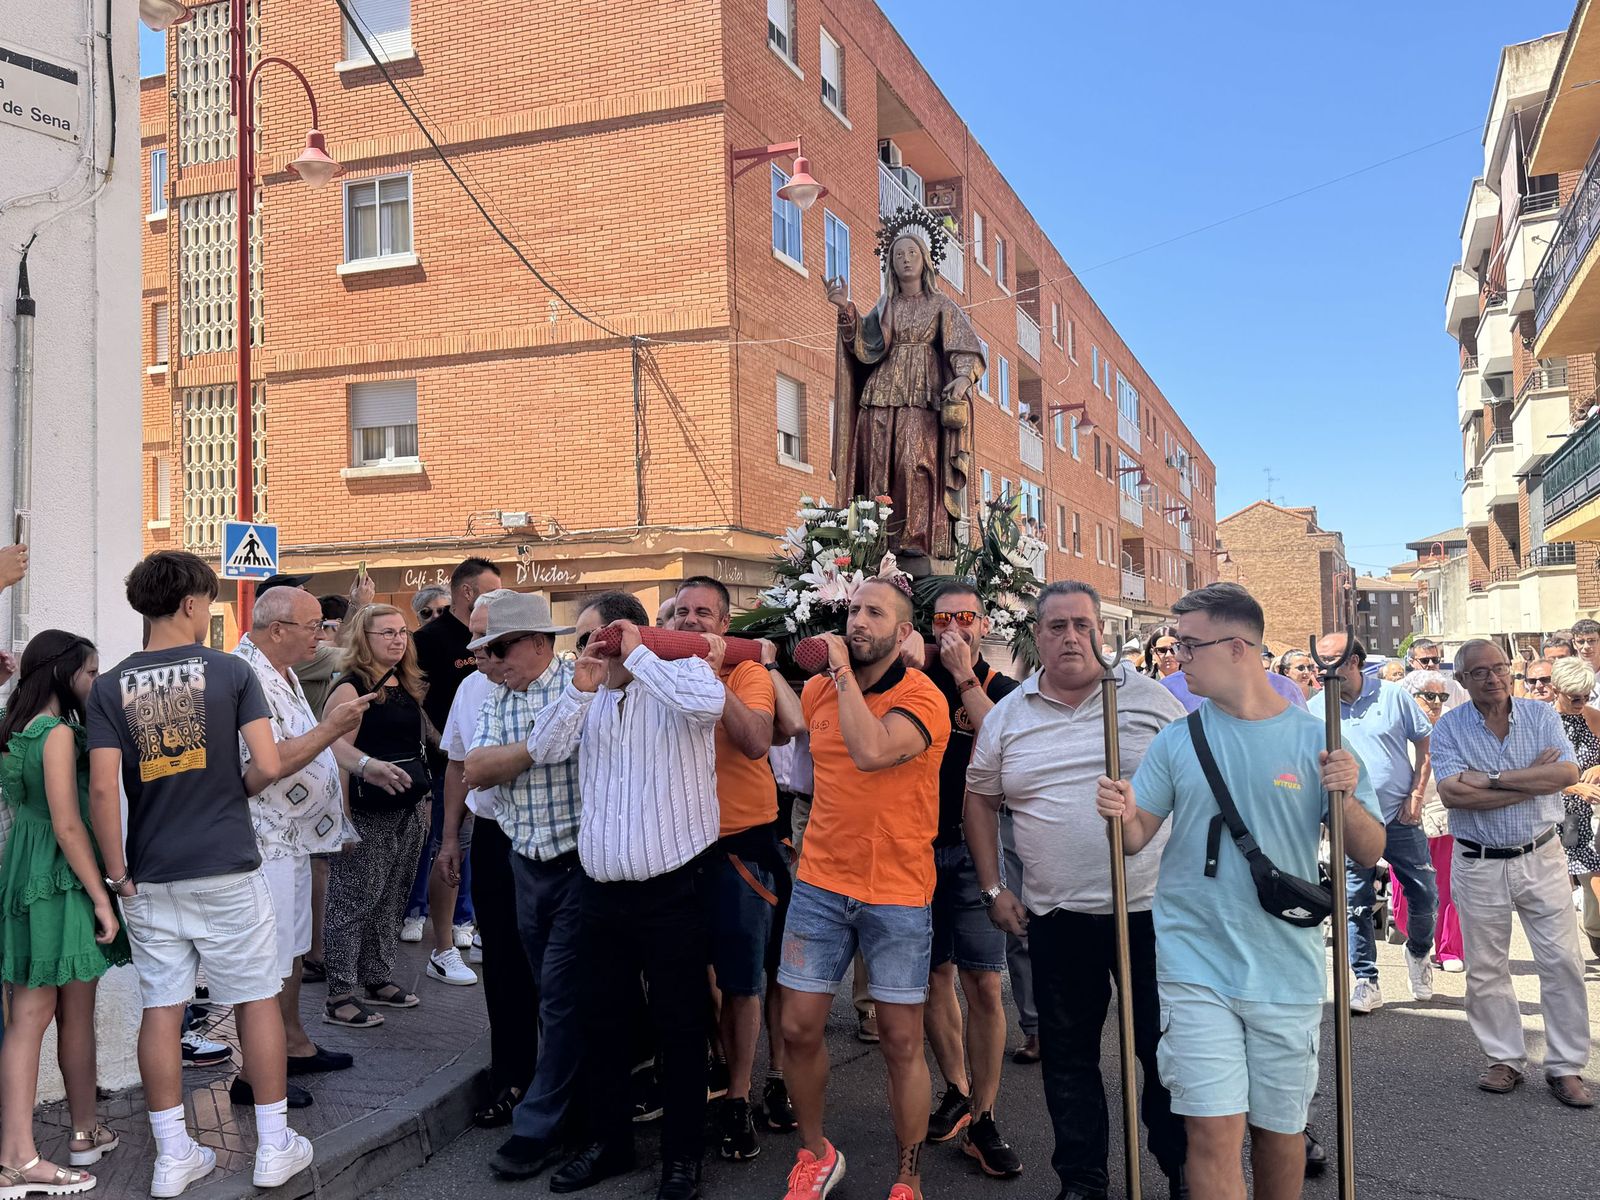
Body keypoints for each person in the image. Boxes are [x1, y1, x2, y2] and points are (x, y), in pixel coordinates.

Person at [1094, 583, 1384, 1200]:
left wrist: (1346, 791)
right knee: (1211, 1134)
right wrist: (1121, 813)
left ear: (1236, 648)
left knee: (1279, 1135)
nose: (1176, 658)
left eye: (1187, 645)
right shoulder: (1178, 739)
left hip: (1286, 969)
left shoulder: (1316, 739)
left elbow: (1370, 849)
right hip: (1193, 965)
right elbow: (1136, 839)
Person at [88, 550, 313, 1196]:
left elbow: (105, 791)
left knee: (162, 1007)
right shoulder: (230, 671)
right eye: (209, 602)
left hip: (151, 872)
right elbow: (267, 765)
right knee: (254, 998)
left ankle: (171, 1158)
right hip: (225, 864)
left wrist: (117, 872)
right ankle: (273, 1146)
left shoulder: (109, 687)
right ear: (190, 602)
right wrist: (229, 791)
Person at [965, 581, 1189, 1200]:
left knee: (1165, 1055)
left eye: (1082, 625)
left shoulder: (1148, 702)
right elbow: (980, 800)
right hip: (1057, 916)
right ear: (1035, 637)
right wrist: (992, 889)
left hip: (1150, 913)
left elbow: (1196, 787)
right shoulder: (1008, 716)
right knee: (1068, 1059)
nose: (1071, 637)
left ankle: (1182, 1174)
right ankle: (1084, 1181)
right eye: (1056, 626)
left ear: (1102, 632)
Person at [525, 592, 724, 1200]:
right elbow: (544, 748)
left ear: (629, 631)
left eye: (599, 635)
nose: (591, 648)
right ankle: (610, 1143)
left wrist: (638, 656)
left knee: (680, 1027)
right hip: (600, 889)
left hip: (674, 886)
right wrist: (582, 688)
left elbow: (708, 704)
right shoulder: (586, 690)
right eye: (584, 639)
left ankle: (682, 1159)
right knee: (601, 1023)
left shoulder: (681, 672)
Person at [778, 579, 952, 1200]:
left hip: (898, 890)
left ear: (904, 634)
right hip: (821, 882)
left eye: (875, 612)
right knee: (797, 1027)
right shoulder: (821, 688)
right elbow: (793, 747)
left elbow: (873, 751)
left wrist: (843, 673)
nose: (857, 621)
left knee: (902, 1040)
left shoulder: (923, 697)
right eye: (852, 610)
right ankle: (816, 1153)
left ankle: (907, 1177)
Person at [230, 583, 377, 1109]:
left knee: (291, 949)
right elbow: (265, 765)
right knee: (265, 959)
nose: (323, 634)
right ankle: (254, 1073)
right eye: (314, 625)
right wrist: (332, 729)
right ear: (277, 630)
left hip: (289, 840)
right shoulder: (245, 674)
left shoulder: (282, 670)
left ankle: (290, 1042)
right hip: (263, 841)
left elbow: (306, 740)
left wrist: (358, 762)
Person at [1430, 639, 1591, 1106]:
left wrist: (1492, 779)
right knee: (1485, 968)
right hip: (1478, 860)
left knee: (1562, 962)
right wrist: (1528, 781)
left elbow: (1564, 775)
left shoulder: (1541, 717)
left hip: (1540, 856)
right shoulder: (1449, 729)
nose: (1492, 677)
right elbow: (1455, 795)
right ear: (1462, 679)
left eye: (1499, 668)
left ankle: (1565, 1066)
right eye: (1479, 672)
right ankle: (1505, 1058)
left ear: (1511, 672)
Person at [458, 592, 583, 1180]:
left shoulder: (580, 688)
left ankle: (539, 1127)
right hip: (524, 862)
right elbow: (476, 767)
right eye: (484, 649)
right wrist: (539, 747)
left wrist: (516, 755)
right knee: (548, 994)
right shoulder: (497, 693)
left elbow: (493, 762)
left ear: (539, 642)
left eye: (499, 648)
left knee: (558, 999)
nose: (490, 661)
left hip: (580, 864)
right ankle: (581, 1115)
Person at [0, 631, 130, 1195]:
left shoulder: (18, 728)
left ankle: (84, 1130)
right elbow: (67, 823)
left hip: (39, 873)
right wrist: (104, 894)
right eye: (90, 671)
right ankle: (17, 1159)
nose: (95, 681)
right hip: (58, 879)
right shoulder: (53, 735)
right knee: (32, 1016)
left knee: (72, 1005)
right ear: (61, 674)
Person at [670, 577, 782, 1164]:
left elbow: (757, 740)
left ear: (724, 624)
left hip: (740, 843)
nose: (691, 622)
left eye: (703, 613)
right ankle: (719, 1065)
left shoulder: (745, 673)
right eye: (682, 611)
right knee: (693, 976)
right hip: (673, 847)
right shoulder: (656, 671)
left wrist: (713, 676)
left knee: (743, 980)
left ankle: (739, 1098)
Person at [914, 582, 1022, 1177]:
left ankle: (984, 1117)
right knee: (934, 975)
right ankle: (955, 1088)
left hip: (973, 850)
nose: (954, 628)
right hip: (917, 849)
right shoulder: (914, 679)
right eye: (943, 618)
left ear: (984, 625)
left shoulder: (1001, 690)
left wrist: (963, 676)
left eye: (966, 617)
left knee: (984, 984)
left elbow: (1003, 742)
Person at [435, 590, 541, 1130]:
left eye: (491, 639)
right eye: (476, 638)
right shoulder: (471, 688)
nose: (481, 649)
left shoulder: (559, 685)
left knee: (558, 964)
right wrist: (452, 838)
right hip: (497, 835)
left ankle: (565, 1081)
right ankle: (511, 1076)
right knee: (501, 961)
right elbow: (457, 766)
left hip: (554, 841)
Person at [1310, 633, 1435, 1015]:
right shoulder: (1315, 707)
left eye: (1330, 661)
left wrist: (1416, 797)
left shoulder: (1393, 695)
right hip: (1351, 820)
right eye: (1318, 663)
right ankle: (1366, 980)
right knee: (1355, 903)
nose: (1321, 669)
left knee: (1424, 895)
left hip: (1399, 815)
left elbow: (1426, 747)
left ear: (1354, 662)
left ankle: (1418, 952)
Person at [321, 605, 434, 1028]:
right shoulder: (350, 688)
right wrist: (343, 819)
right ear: (362, 638)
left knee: (391, 897)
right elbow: (333, 752)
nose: (397, 639)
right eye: (386, 632)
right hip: (367, 812)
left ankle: (376, 976)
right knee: (351, 901)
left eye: (402, 632)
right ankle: (340, 993)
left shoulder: (405, 683)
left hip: (407, 810)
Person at [403, 559, 503, 961]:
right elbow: (414, 694)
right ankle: (418, 914)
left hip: (490, 758)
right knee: (441, 840)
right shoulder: (430, 639)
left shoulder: (502, 637)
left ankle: (466, 921)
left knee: (475, 840)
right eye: (491, 590)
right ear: (468, 592)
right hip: (447, 759)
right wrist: (442, 740)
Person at [1388, 674, 1465, 973]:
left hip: (1444, 814)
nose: (1436, 703)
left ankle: (1449, 948)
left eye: (1442, 697)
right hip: (1403, 817)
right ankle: (1418, 940)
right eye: (1428, 696)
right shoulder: (1395, 727)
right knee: (1408, 887)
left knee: (1448, 885)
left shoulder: (1451, 727)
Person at [1545, 657, 1600, 962]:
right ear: (1556, 690)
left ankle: (1594, 931)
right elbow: (1535, 773)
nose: (1581, 702)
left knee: (1594, 874)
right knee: (1556, 890)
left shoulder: (1594, 718)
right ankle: (1565, 952)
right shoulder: (1542, 722)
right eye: (1574, 697)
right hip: (1550, 812)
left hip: (1587, 816)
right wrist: (1574, 786)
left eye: (1586, 696)